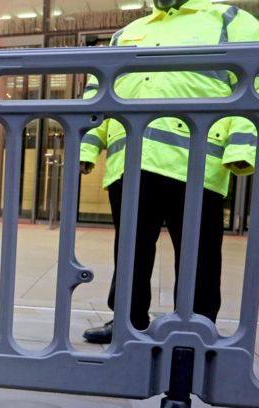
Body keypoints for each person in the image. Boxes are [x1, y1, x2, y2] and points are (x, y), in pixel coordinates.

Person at [80, 0, 259, 344]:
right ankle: (127, 322)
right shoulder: (127, 33)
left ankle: (196, 326)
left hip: (195, 161)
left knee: (199, 252)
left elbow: (253, 83)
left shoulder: (230, 20)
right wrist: (88, 146)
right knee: (131, 249)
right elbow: (98, 93)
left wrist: (241, 148)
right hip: (131, 159)